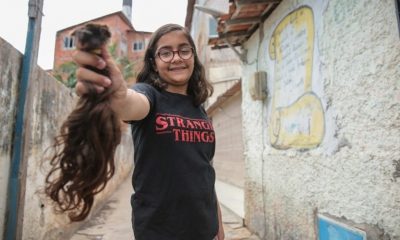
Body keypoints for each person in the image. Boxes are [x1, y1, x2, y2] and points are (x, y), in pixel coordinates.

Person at [72, 23, 225, 240]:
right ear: (153, 62)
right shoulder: (149, 95)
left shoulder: (199, 108)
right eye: (165, 52)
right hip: (159, 231)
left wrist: (218, 224)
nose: (176, 58)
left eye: (184, 50)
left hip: (205, 230)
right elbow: (129, 103)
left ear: (193, 56)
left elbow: (205, 170)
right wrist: (117, 94)